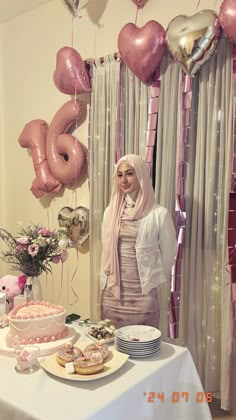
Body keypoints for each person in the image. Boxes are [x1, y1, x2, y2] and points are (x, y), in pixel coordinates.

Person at [100, 154, 176, 328]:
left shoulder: (158, 214)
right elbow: (107, 249)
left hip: (144, 293)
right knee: (112, 344)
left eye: (129, 173)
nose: (124, 180)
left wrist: (151, 277)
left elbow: (168, 256)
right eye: (119, 175)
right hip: (113, 290)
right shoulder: (110, 213)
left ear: (141, 174)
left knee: (143, 345)